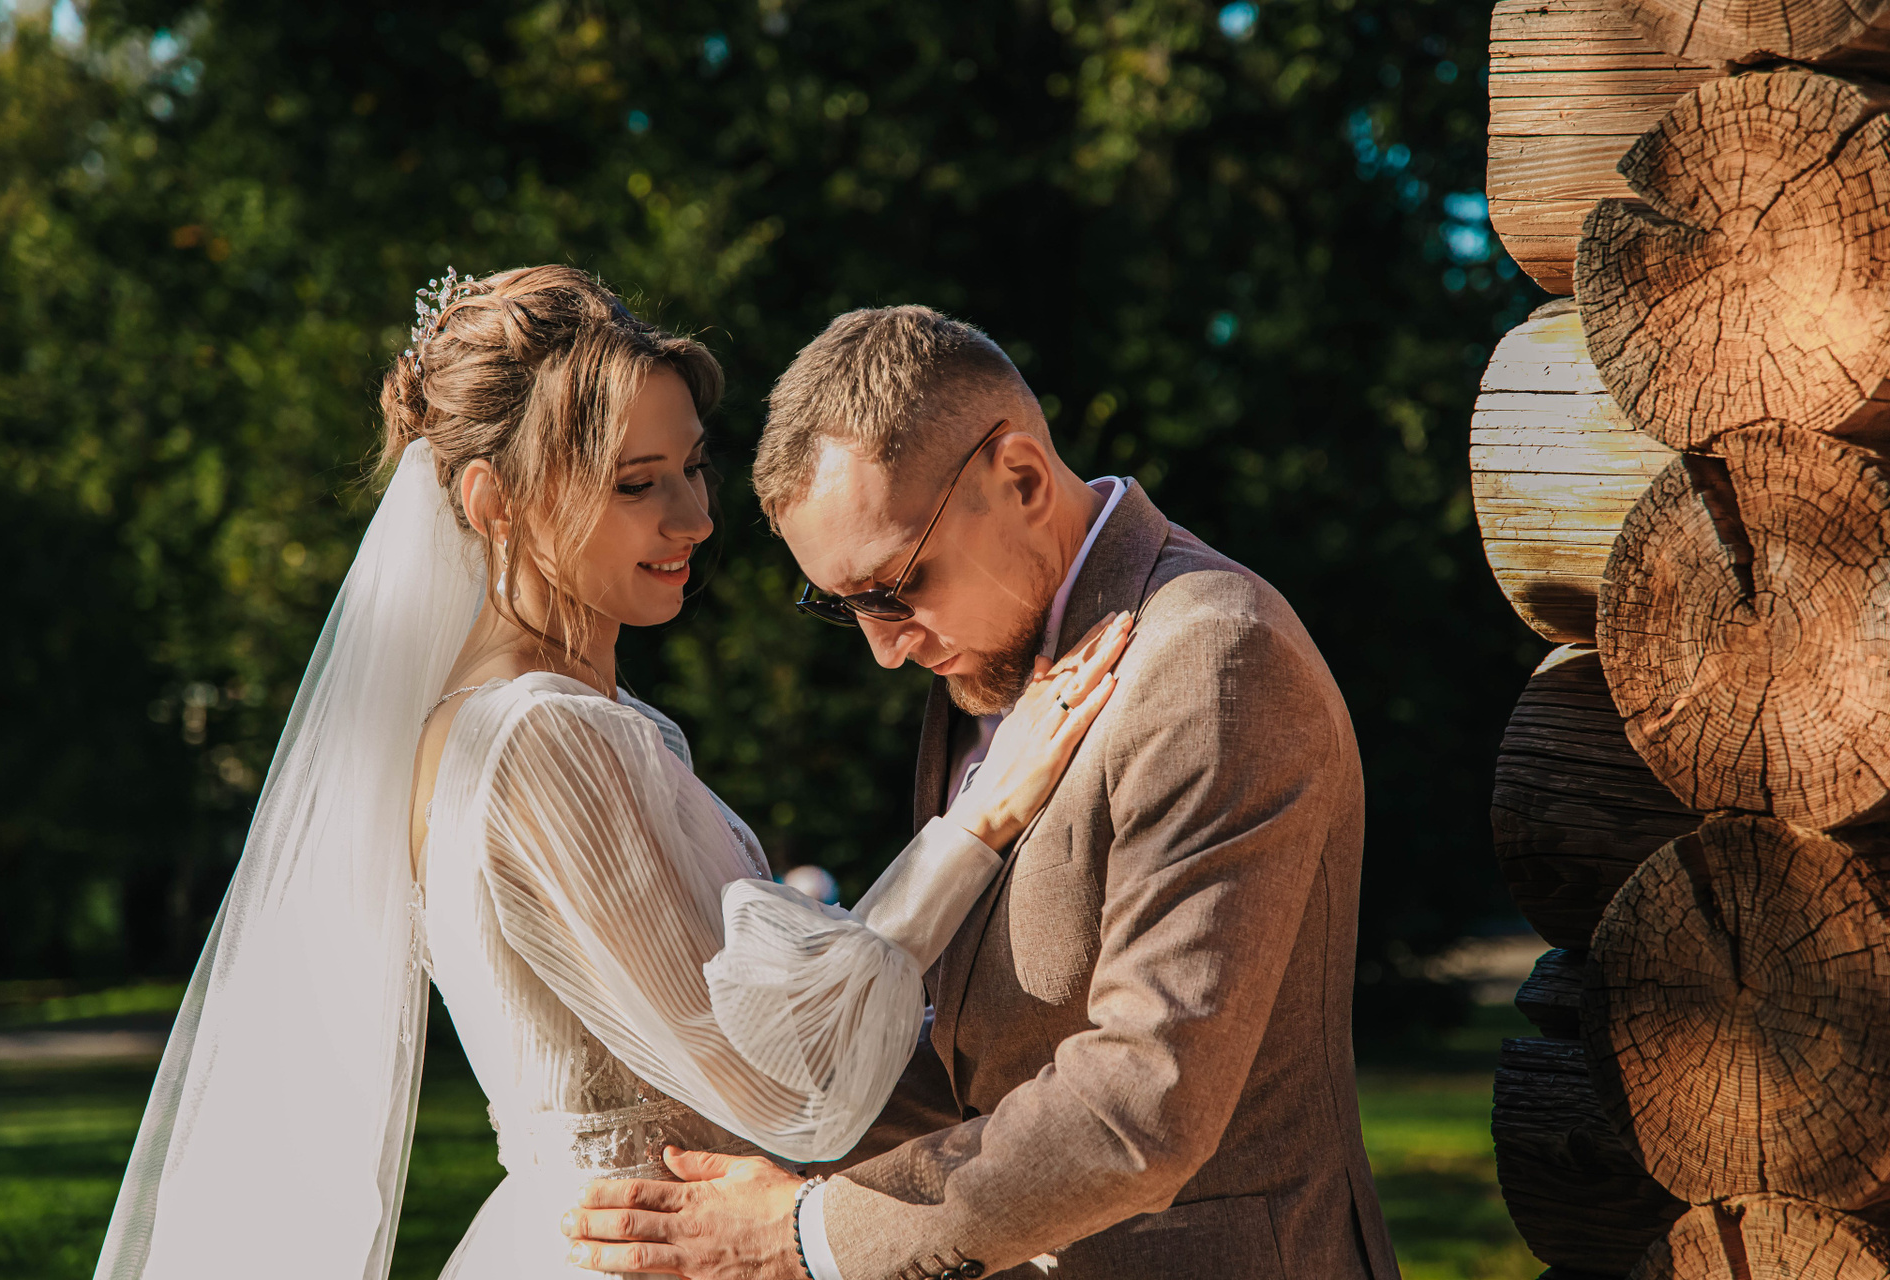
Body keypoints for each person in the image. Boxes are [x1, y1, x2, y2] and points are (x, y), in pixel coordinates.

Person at [91, 269, 1131, 1280]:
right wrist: (977, 822)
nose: (695, 518)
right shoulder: (537, 734)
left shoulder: (553, 718)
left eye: (693, 467)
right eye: (638, 484)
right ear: (494, 500)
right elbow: (778, 1081)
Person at [563, 306, 1400, 1280]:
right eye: (843, 605)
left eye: (896, 585)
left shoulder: (1213, 660)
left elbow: (1143, 1100)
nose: (885, 649)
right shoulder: (988, 652)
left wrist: (805, 1233)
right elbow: (978, 1064)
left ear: (1023, 478)